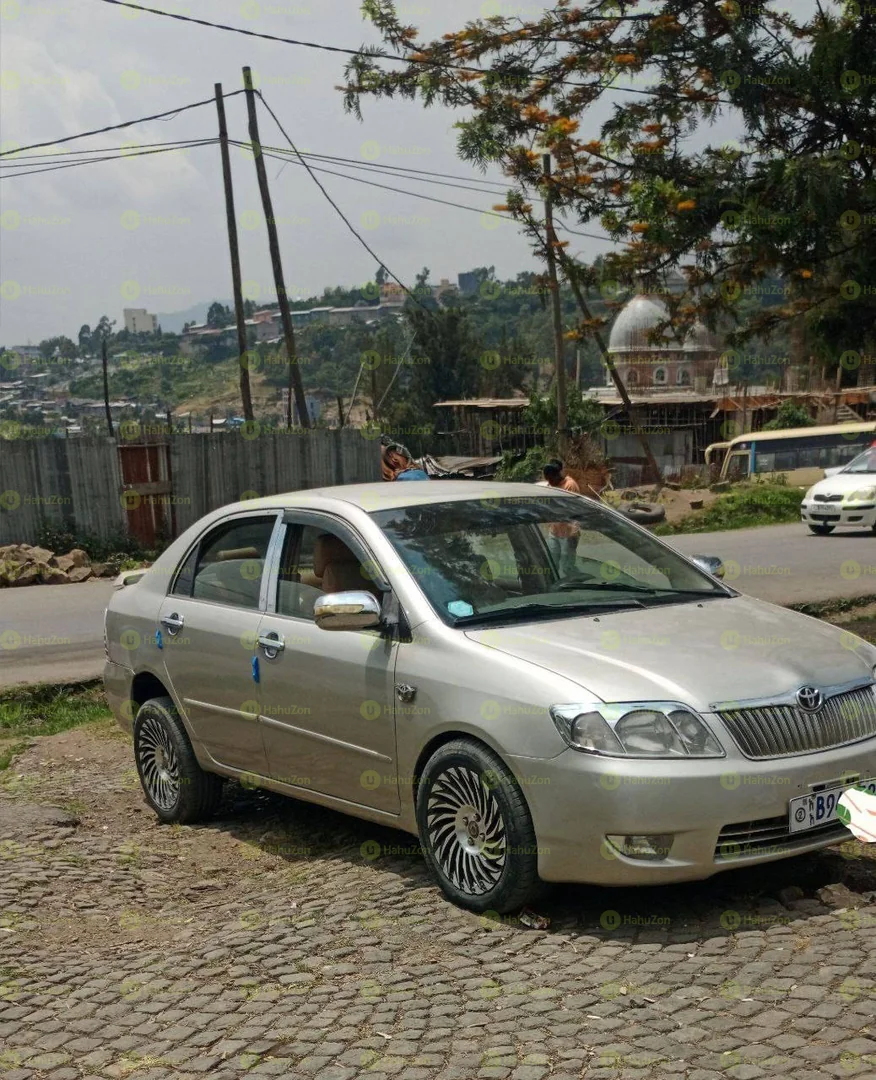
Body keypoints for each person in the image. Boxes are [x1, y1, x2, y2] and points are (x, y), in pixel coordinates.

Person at [542, 459, 580, 574]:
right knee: (552, 563)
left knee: (567, 566)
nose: (550, 481)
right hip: (554, 531)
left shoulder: (569, 485)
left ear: (558, 475)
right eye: (548, 479)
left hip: (569, 533)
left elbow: (570, 509)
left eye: (551, 478)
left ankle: (576, 581)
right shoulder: (550, 485)